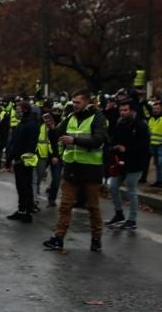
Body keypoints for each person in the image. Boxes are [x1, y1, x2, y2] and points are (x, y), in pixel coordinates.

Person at [43, 89, 109, 253]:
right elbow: (58, 134)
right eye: (73, 102)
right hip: (72, 168)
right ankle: (58, 238)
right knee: (65, 206)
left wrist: (75, 140)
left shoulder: (98, 118)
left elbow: (99, 140)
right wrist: (51, 127)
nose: (74, 105)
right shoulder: (70, 117)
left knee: (93, 207)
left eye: (78, 102)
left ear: (87, 102)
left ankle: (96, 239)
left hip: (91, 169)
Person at [105, 99, 149, 231]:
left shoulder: (141, 125)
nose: (123, 113)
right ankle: (119, 214)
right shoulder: (120, 124)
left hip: (135, 164)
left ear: (133, 111)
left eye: (125, 110)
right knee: (112, 186)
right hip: (121, 163)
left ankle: (132, 219)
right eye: (121, 110)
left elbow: (144, 146)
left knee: (131, 189)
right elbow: (114, 141)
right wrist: (114, 148)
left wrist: (127, 149)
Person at [4, 98, 41, 222]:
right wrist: (9, 159)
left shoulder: (31, 125)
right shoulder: (22, 123)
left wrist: (21, 159)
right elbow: (14, 143)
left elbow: (29, 145)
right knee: (21, 187)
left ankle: (27, 212)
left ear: (25, 110)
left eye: (18, 110)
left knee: (25, 187)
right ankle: (21, 210)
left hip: (25, 161)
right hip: (19, 160)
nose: (16, 112)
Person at [147, 98, 162, 186]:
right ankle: (158, 180)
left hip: (161, 145)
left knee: (160, 163)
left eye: (157, 109)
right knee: (157, 164)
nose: (155, 110)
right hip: (153, 145)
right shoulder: (151, 119)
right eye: (154, 109)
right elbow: (149, 132)